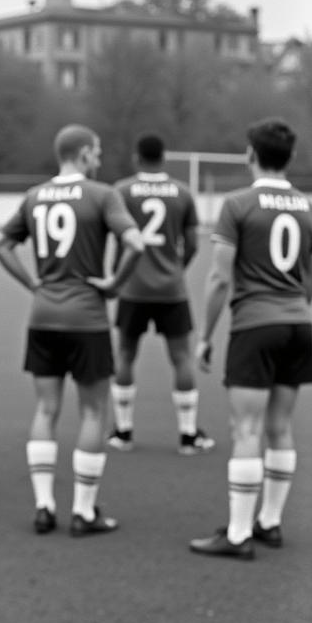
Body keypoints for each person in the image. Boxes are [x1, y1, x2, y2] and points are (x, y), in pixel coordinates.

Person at [0, 124, 144, 536]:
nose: (99, 160)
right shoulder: (102, 194)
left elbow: (0, 246)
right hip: (87, 318)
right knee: (94, 410)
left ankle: (44, 506)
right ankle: (83, 511)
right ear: (80, 154)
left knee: (46, 410)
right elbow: (136, 243)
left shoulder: (34, 195)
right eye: (95, 152)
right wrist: (113, 284)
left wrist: (31, 283)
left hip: (43, 316)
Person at [189, 118, 312, 560]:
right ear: (292, 157)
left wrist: (206, 335)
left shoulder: (237, 204)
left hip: (255, 326)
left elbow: (218, 279)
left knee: (245, 429)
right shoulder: (309, 209)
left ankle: (239, 534)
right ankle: (269, 522)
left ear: (250, 155)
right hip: (298, 325)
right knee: (280, 428)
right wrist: (291, 306)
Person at [107, 133, 214, 455]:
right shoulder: (182, 193)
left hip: (132, 287)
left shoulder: (122, 191)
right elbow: (193, 242)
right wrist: (177, 269)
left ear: (137, 158)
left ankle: (123, 433)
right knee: (181, 357)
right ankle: (187, 435)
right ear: (164, 157)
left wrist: (117, 276)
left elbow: (119, 239)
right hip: (171, 288)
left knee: (125, 354)